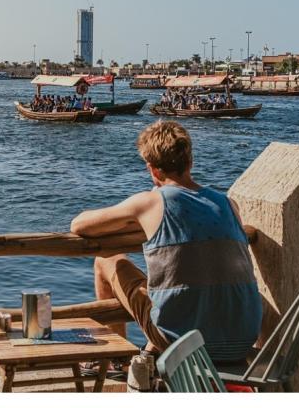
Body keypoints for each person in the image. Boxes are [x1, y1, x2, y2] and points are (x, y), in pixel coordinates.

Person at [70, 121, 262, 362]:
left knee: (106, 261)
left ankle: (114, 362)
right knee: (180, 287)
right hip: (242, 342)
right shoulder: (227, 203)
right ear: (190, 161)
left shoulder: (151, 203)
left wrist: (138, 216)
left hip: (185, 345)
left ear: (153, 170)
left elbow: (79, 225)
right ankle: (149, 353)